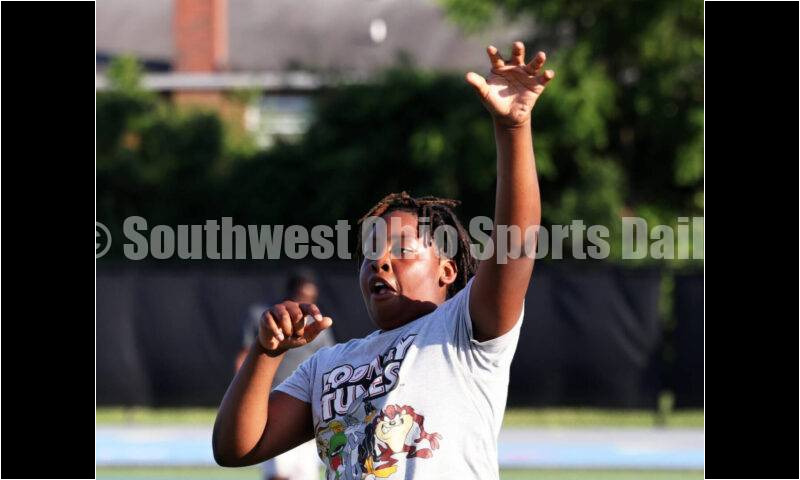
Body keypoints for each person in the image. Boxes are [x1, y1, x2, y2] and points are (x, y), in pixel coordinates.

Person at [213, 41, 554, 480]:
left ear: (447, 270)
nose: (381, 261)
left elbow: (516, 241)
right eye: (370, 252)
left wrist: (513, 130)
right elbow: (235, 448)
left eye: (402, 249)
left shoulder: (463, 332)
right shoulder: (327, 367)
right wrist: (265, 353)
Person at [235, 270, 335, 480]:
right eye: (302, 296)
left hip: (307, 405)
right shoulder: (266, 318)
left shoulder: (319, 327)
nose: (307, 302)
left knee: (305, 474)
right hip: (274, 400)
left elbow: (329, 360)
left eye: (311, 298)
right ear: (290, 294)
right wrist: (241, 394)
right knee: (278, 472)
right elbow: (245, 355)